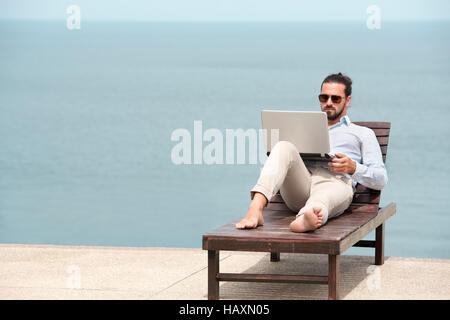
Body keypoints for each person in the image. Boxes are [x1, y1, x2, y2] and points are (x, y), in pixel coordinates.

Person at [236, 73, 388, 232]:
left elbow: (381, 179)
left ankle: (307, 218)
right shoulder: (302, 127)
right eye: (324, 98)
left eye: (335, 99)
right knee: (283, 146)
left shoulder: (362, 133)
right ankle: (256, 208)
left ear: (347, 100)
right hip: (302, 183)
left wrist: (353, 168)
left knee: (323, 196)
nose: (329, 103)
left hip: (335, 182)